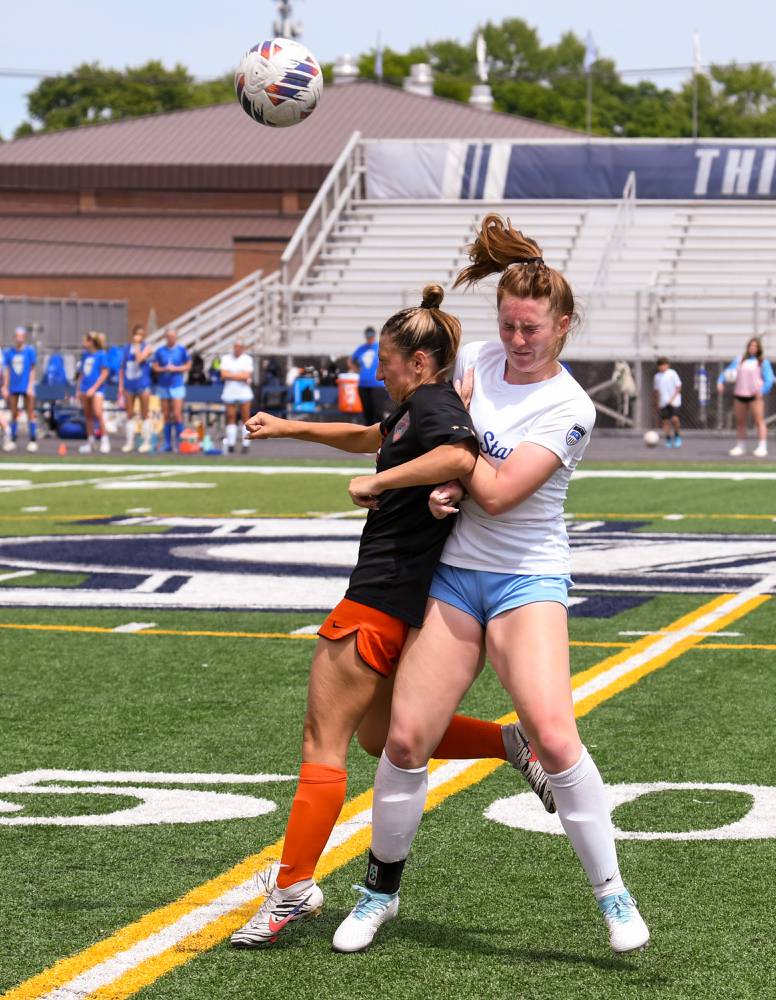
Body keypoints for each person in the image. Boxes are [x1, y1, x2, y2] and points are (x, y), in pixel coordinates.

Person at [333, 215, 649, 956]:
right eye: (508, 325)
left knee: (554, 734)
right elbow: (447, 457)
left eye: (532, 327)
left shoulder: (571, 407)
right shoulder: (473, 357)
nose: (517, 340)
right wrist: (442, 489)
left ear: (563, 325)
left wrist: (453, 468)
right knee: (406, 739)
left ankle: (613, 893)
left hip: (526, 578)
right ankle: (379, 892)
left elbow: (502, 491)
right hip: (455, 574)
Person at [229, 284, 554, 950]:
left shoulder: (433, 404)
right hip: (400, 607)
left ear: (417, 359)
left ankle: (292, 890)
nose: (379, 370)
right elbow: (370, 437)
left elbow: (458, 456)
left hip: (376, 600)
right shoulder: (414, 411)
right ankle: (507, 744)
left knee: (324, 746)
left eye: (386, 359)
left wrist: (376, 485)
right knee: (381, 740)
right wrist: (287, 428)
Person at [717, 337, 774, 457]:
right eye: (751, 346)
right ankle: (741, 445)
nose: (753, 348)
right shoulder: (739, 360)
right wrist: (720, 381)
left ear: (759, 348)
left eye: (755, 346)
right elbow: (727, 372)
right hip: (740, 394)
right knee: (740, 422)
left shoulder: (762, 362)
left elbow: (769, 379)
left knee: (759, 421)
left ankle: (762, 446)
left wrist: (762, 390)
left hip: (754, 395)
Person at [151, 328, 190, 452]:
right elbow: (155, 367)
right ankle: (167, 443)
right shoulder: (160, 351)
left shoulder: (181, 350)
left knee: (177, 415)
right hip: (163, 386)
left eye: (173, 336)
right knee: (166, 415)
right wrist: (164, 369)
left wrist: (176, 369)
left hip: (177, 385)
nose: (170, 339)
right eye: (168, 336)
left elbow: (188, 365)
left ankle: (180, 443)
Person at [2, 326, 38, 453]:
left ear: (24, 337)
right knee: (14, 413)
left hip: (26, 386)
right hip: (13, 386)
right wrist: (5, 386)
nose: (19, 338)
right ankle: (13, 439)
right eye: (17, 336)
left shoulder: (29, 351)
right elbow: (7, 371)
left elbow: (33, 369)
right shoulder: (9, 352)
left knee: (30, 413)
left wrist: (30, 385)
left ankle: (33, 440)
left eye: (21, 336)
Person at [119, 324, 153, 454]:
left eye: (141, 334)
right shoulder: (127, 348)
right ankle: (129, 442)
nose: (139, 337)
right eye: (137, 334)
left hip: (142, 383)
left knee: (145, 413)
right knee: (129, 413)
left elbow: (139, 359)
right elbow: (123, 367)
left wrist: (138, 346)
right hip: (129, 383)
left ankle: (146, 442)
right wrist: (121, 385)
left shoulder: (146, 347)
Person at [76, 332, 110, 454]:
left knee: (98, 413)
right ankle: (90, 441)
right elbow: (81, 373)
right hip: (85, 389)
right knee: (88, 415)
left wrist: (94, 388)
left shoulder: (101, 355)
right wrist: (78, 389)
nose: (84, 342)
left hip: (96, 390)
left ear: (91, 341)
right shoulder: (85, 355)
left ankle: (105, 440)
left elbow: (104, 373)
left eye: (86, 340)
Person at [350, 326, 390, 425]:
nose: (369, 338)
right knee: (367, 414)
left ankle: (381, 437)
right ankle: (369, 438)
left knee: (378, 413)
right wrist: (357, 370)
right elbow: (351, 360)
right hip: (363, 384)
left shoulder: (380, 347)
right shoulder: (361, 348)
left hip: (377, 385)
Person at [220, 340, 255, 454]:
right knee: (231, 417)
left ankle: (246, 443)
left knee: (246, 418)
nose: (237, 349)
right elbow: (223, 375)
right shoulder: (226, 358)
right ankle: (231, 443)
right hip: (230, 391)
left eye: (240, 347)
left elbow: (247, 375)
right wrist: (239, 375)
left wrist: (232, 375)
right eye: (236, 346)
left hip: (243, 392)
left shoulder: (247, 359)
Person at [653, 356, 682, 447]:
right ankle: (668, 438)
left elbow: (678, 387)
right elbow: (656, 391)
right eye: (660, 365)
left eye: (664, 365)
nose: (662, 367)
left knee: (675, 419)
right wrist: (657, 403)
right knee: (665, 422)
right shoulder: (657, 377)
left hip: (674, 402)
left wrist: (672, 399)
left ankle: (677, 436)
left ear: (667, 365)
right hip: (663, 403)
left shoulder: (672, 373)